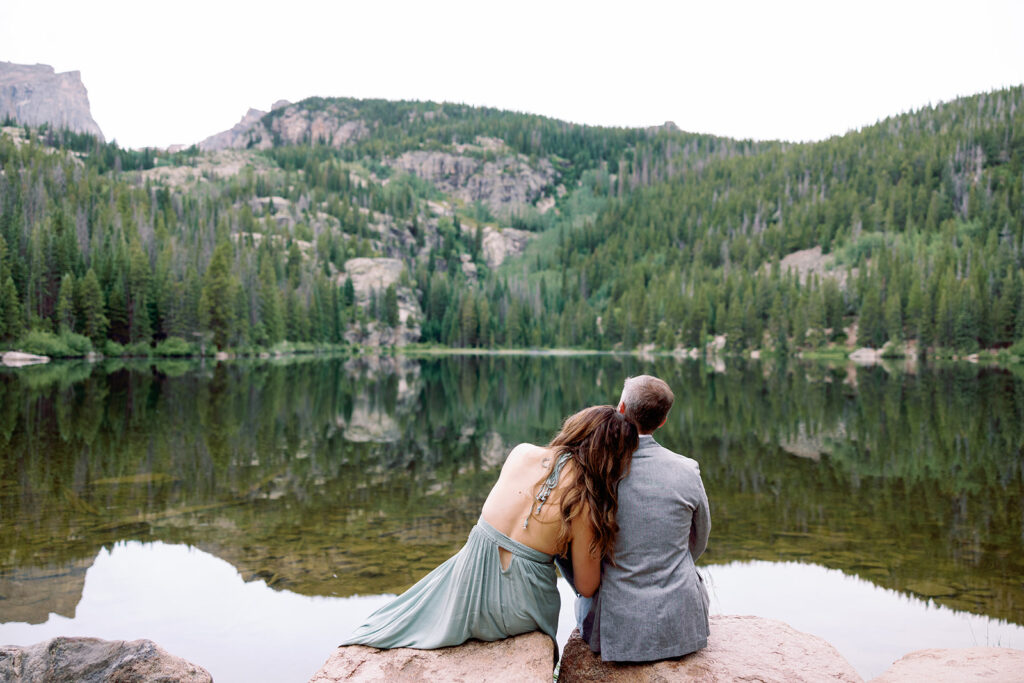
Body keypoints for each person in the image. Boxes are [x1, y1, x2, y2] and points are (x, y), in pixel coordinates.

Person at [342, 405, 638, 649]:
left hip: (463, 593)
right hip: (519, 610)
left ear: (576, 427)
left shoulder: (521, 452)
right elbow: (587, 586)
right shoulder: (585, 503)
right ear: (611, 460)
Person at [575, 375, 711, 662]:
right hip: (681, 626)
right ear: (662, 422)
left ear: (620, 408)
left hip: (614, 628)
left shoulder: (599, 471)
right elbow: (697, 542)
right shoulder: (688, 470)